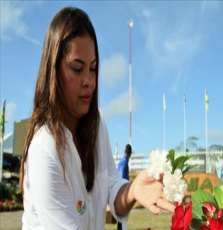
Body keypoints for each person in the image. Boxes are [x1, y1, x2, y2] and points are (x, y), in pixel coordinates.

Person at [19, 6, 175, 230]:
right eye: (77, 68)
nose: (89, 81)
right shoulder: (45, 149)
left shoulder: (97, 123)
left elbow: (111, 185)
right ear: (53, 72)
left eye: (93, 69)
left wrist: (132, 191)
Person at [117, 144, 132, 229]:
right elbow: (121, 175)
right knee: (123, 216)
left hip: (121, 189)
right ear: (130, 153)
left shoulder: (122, 160)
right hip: (123, 190)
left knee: (121, 217)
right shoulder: (124, 161)